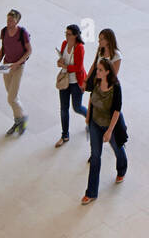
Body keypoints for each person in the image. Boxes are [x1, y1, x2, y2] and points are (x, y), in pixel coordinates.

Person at [80, 57, 126, 205]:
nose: (97, 72)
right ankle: (91, 192)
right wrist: (88, 116)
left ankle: (122, 168)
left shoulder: (116, 87)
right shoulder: (96, 81)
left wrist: (109, 131)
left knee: (117, 148)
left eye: (100, 70)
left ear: (107, 72)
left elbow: (117, 111)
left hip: (109, 125)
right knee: (95, 156)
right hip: (95, 123)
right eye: (97, 69)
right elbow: (91, 98)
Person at [0, 9, 32, 136]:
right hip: (6, 66)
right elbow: (3, 48)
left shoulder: (22, 33)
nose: (8, 22)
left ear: (17, 21)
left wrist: (17, 63)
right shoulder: (4, 31)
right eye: (7, 19)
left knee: (11, 98)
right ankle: (18, 120)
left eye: (11, 20)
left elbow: (29, 51)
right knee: (12, 96)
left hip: (18, 67)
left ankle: (22, 118)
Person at [54, 24, 87, 148]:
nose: (66, 36)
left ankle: (90, 119)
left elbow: (78, 67)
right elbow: (63, 59)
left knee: (77, 107)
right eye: (65, 33)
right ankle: (65, 135)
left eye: (69, 34)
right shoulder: (64, 44)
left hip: (76, 82)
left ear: (75, 35)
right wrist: (60, 62)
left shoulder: (79, 48)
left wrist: (66, 67)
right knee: (63, 108)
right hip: (65, 81)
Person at [95, 28, 128, 145]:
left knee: (115, 109)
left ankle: (121, 129)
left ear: (108, 40)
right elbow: (94, 65)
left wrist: (104, 82)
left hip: (110, 86)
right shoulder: (100, 51)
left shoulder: (116, 55)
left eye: (101, 39)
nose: (99, 41)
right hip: (99, 83)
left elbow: (114, 74)